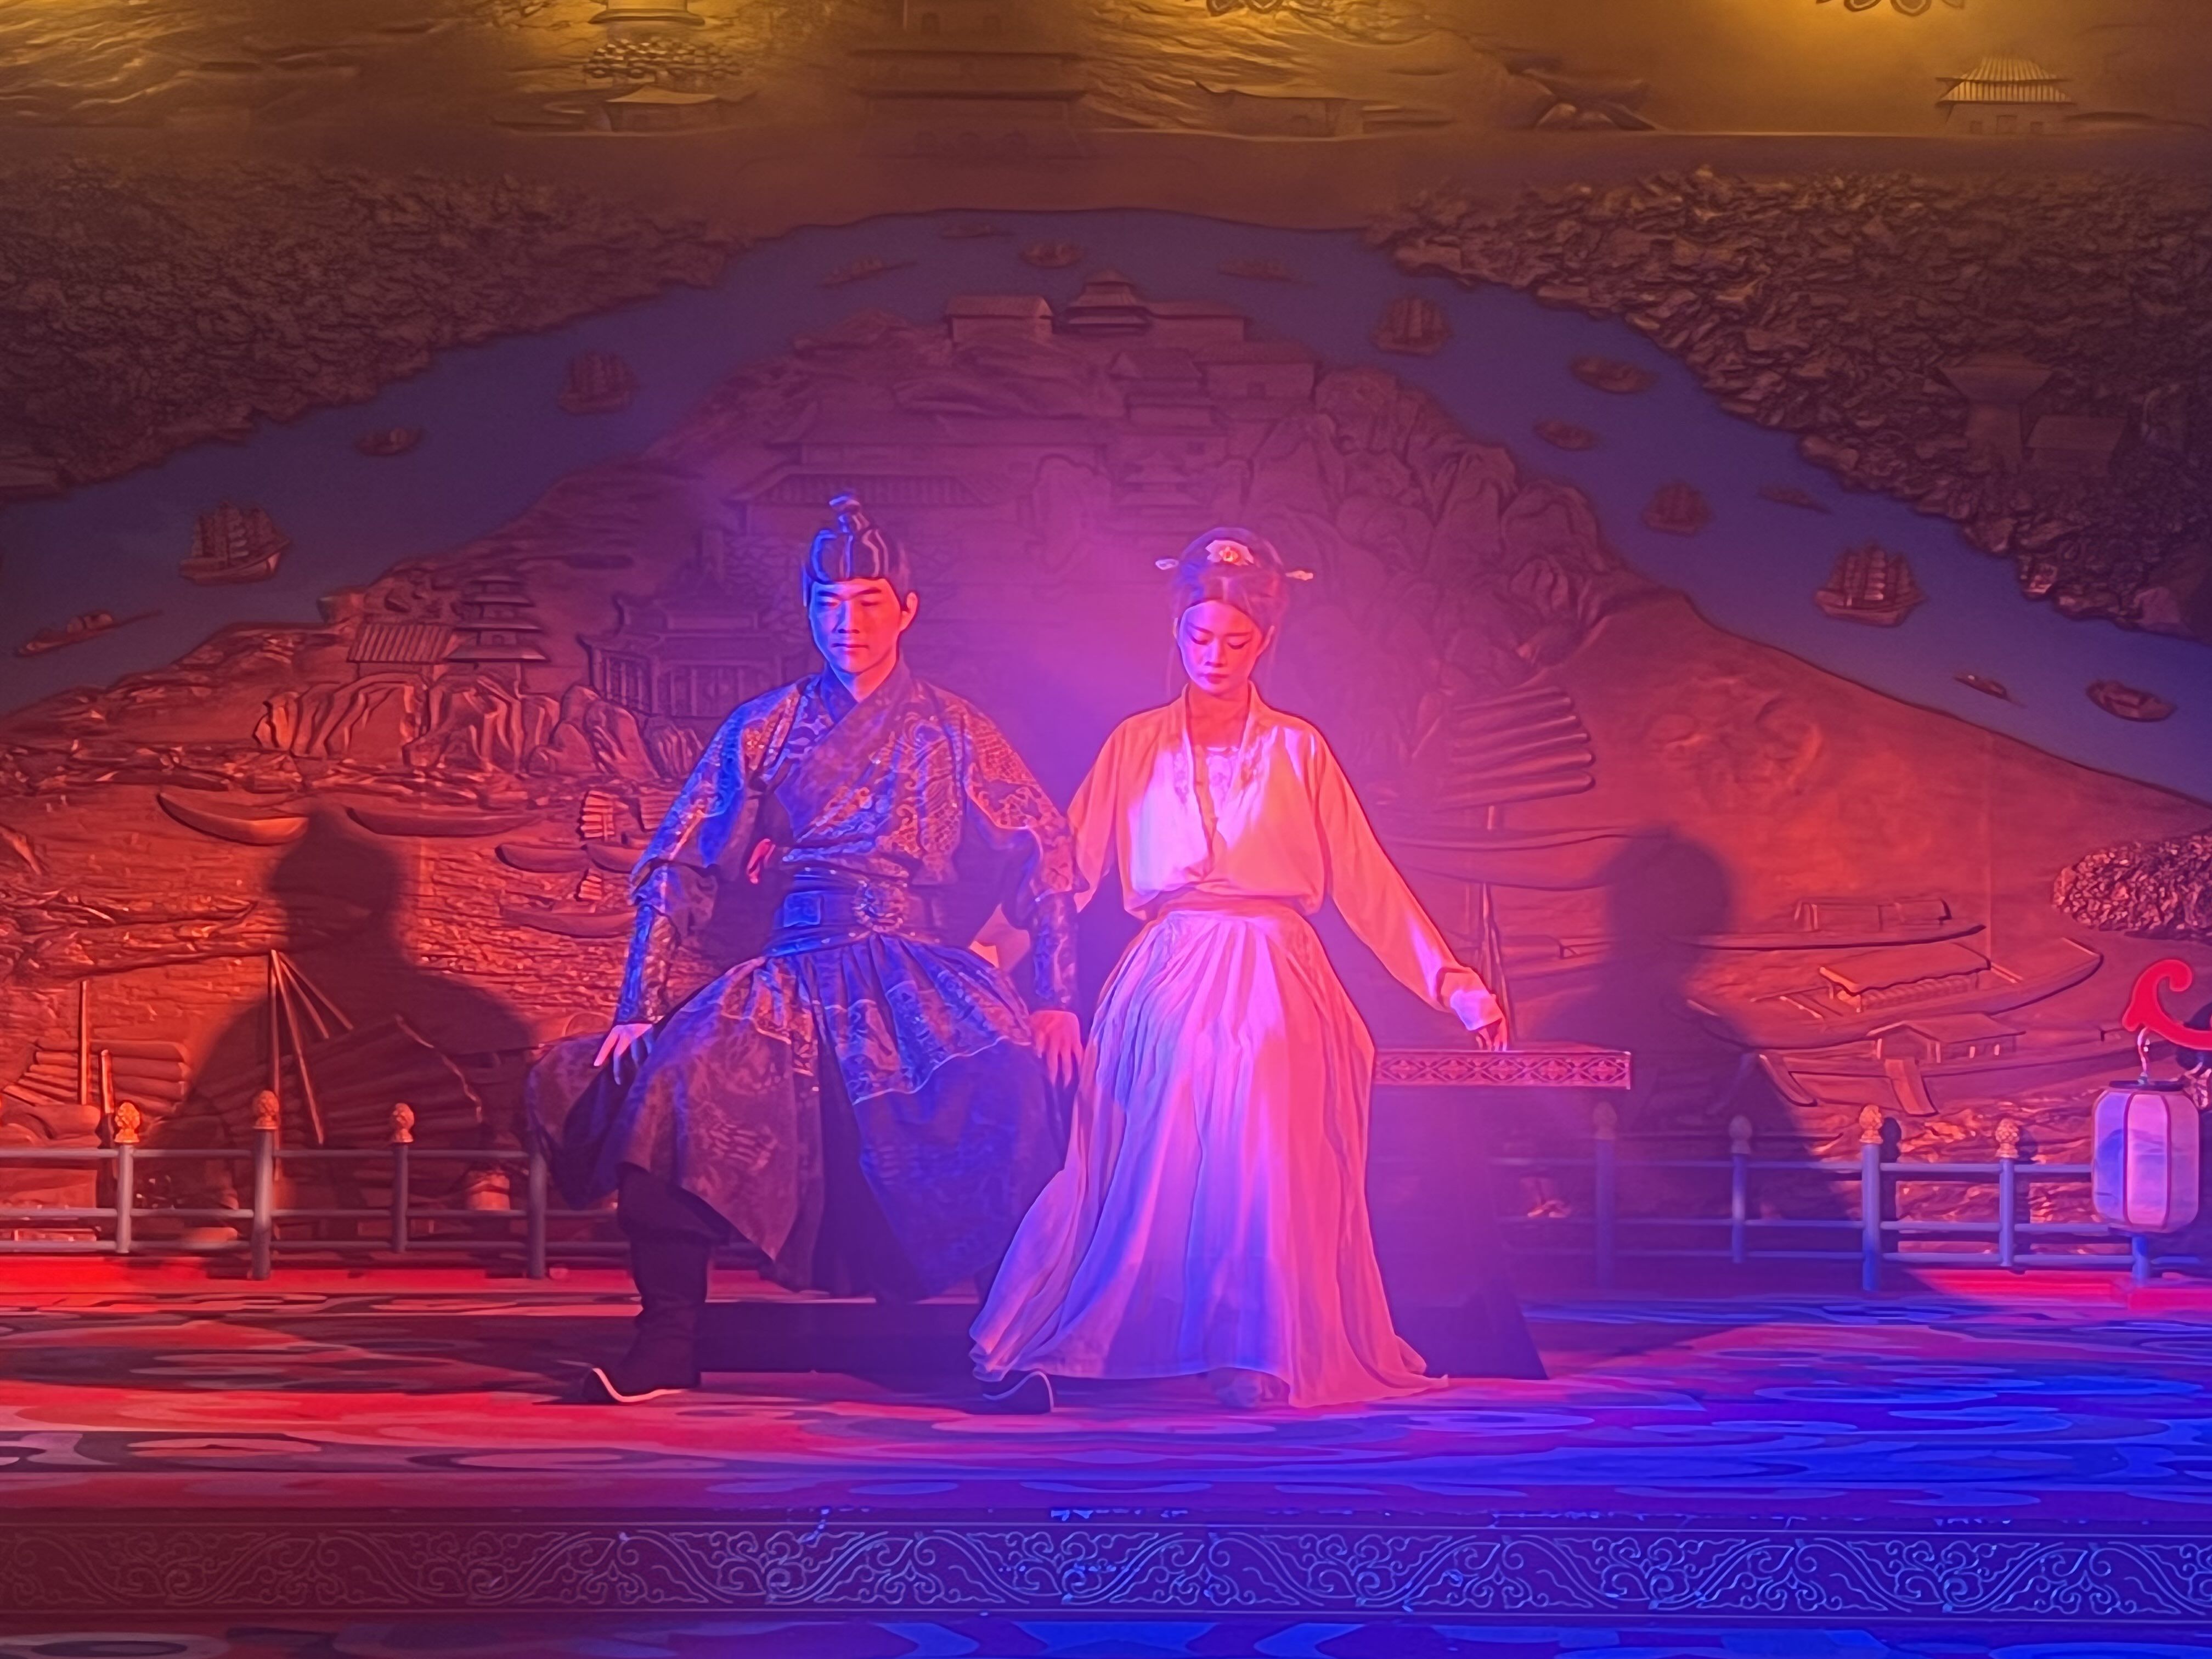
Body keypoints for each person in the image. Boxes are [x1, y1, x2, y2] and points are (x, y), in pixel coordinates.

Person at [537, 495, 1081, 1406]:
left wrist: (1058, 996)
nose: (847, 623)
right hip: (795, 959)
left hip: (914, 960)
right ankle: (667, 1341)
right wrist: (637, 1007)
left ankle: (1005, 1346)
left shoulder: (954, 728)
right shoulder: (767, 724)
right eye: (829, 603)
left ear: (906, 610)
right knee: (672, 1090)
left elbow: (1044, 852)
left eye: (868, 602)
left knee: (1006, 1084)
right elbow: (679, 860)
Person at [972, 527, 1508, 1412]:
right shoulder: (1136, 744)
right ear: (1176, 633)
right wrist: (984, 954)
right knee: (1158, 1146)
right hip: (1170, 966)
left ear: (1265, 643)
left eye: (1235, 641)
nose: (1215, 656)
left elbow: (1366, 881)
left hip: (1274, 965)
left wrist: (1451, 982)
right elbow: (1067, 874)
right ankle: (1138, 1331)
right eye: (1200, 637)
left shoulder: (1298, 749)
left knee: (1262, 1143)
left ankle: (1256, 1342)